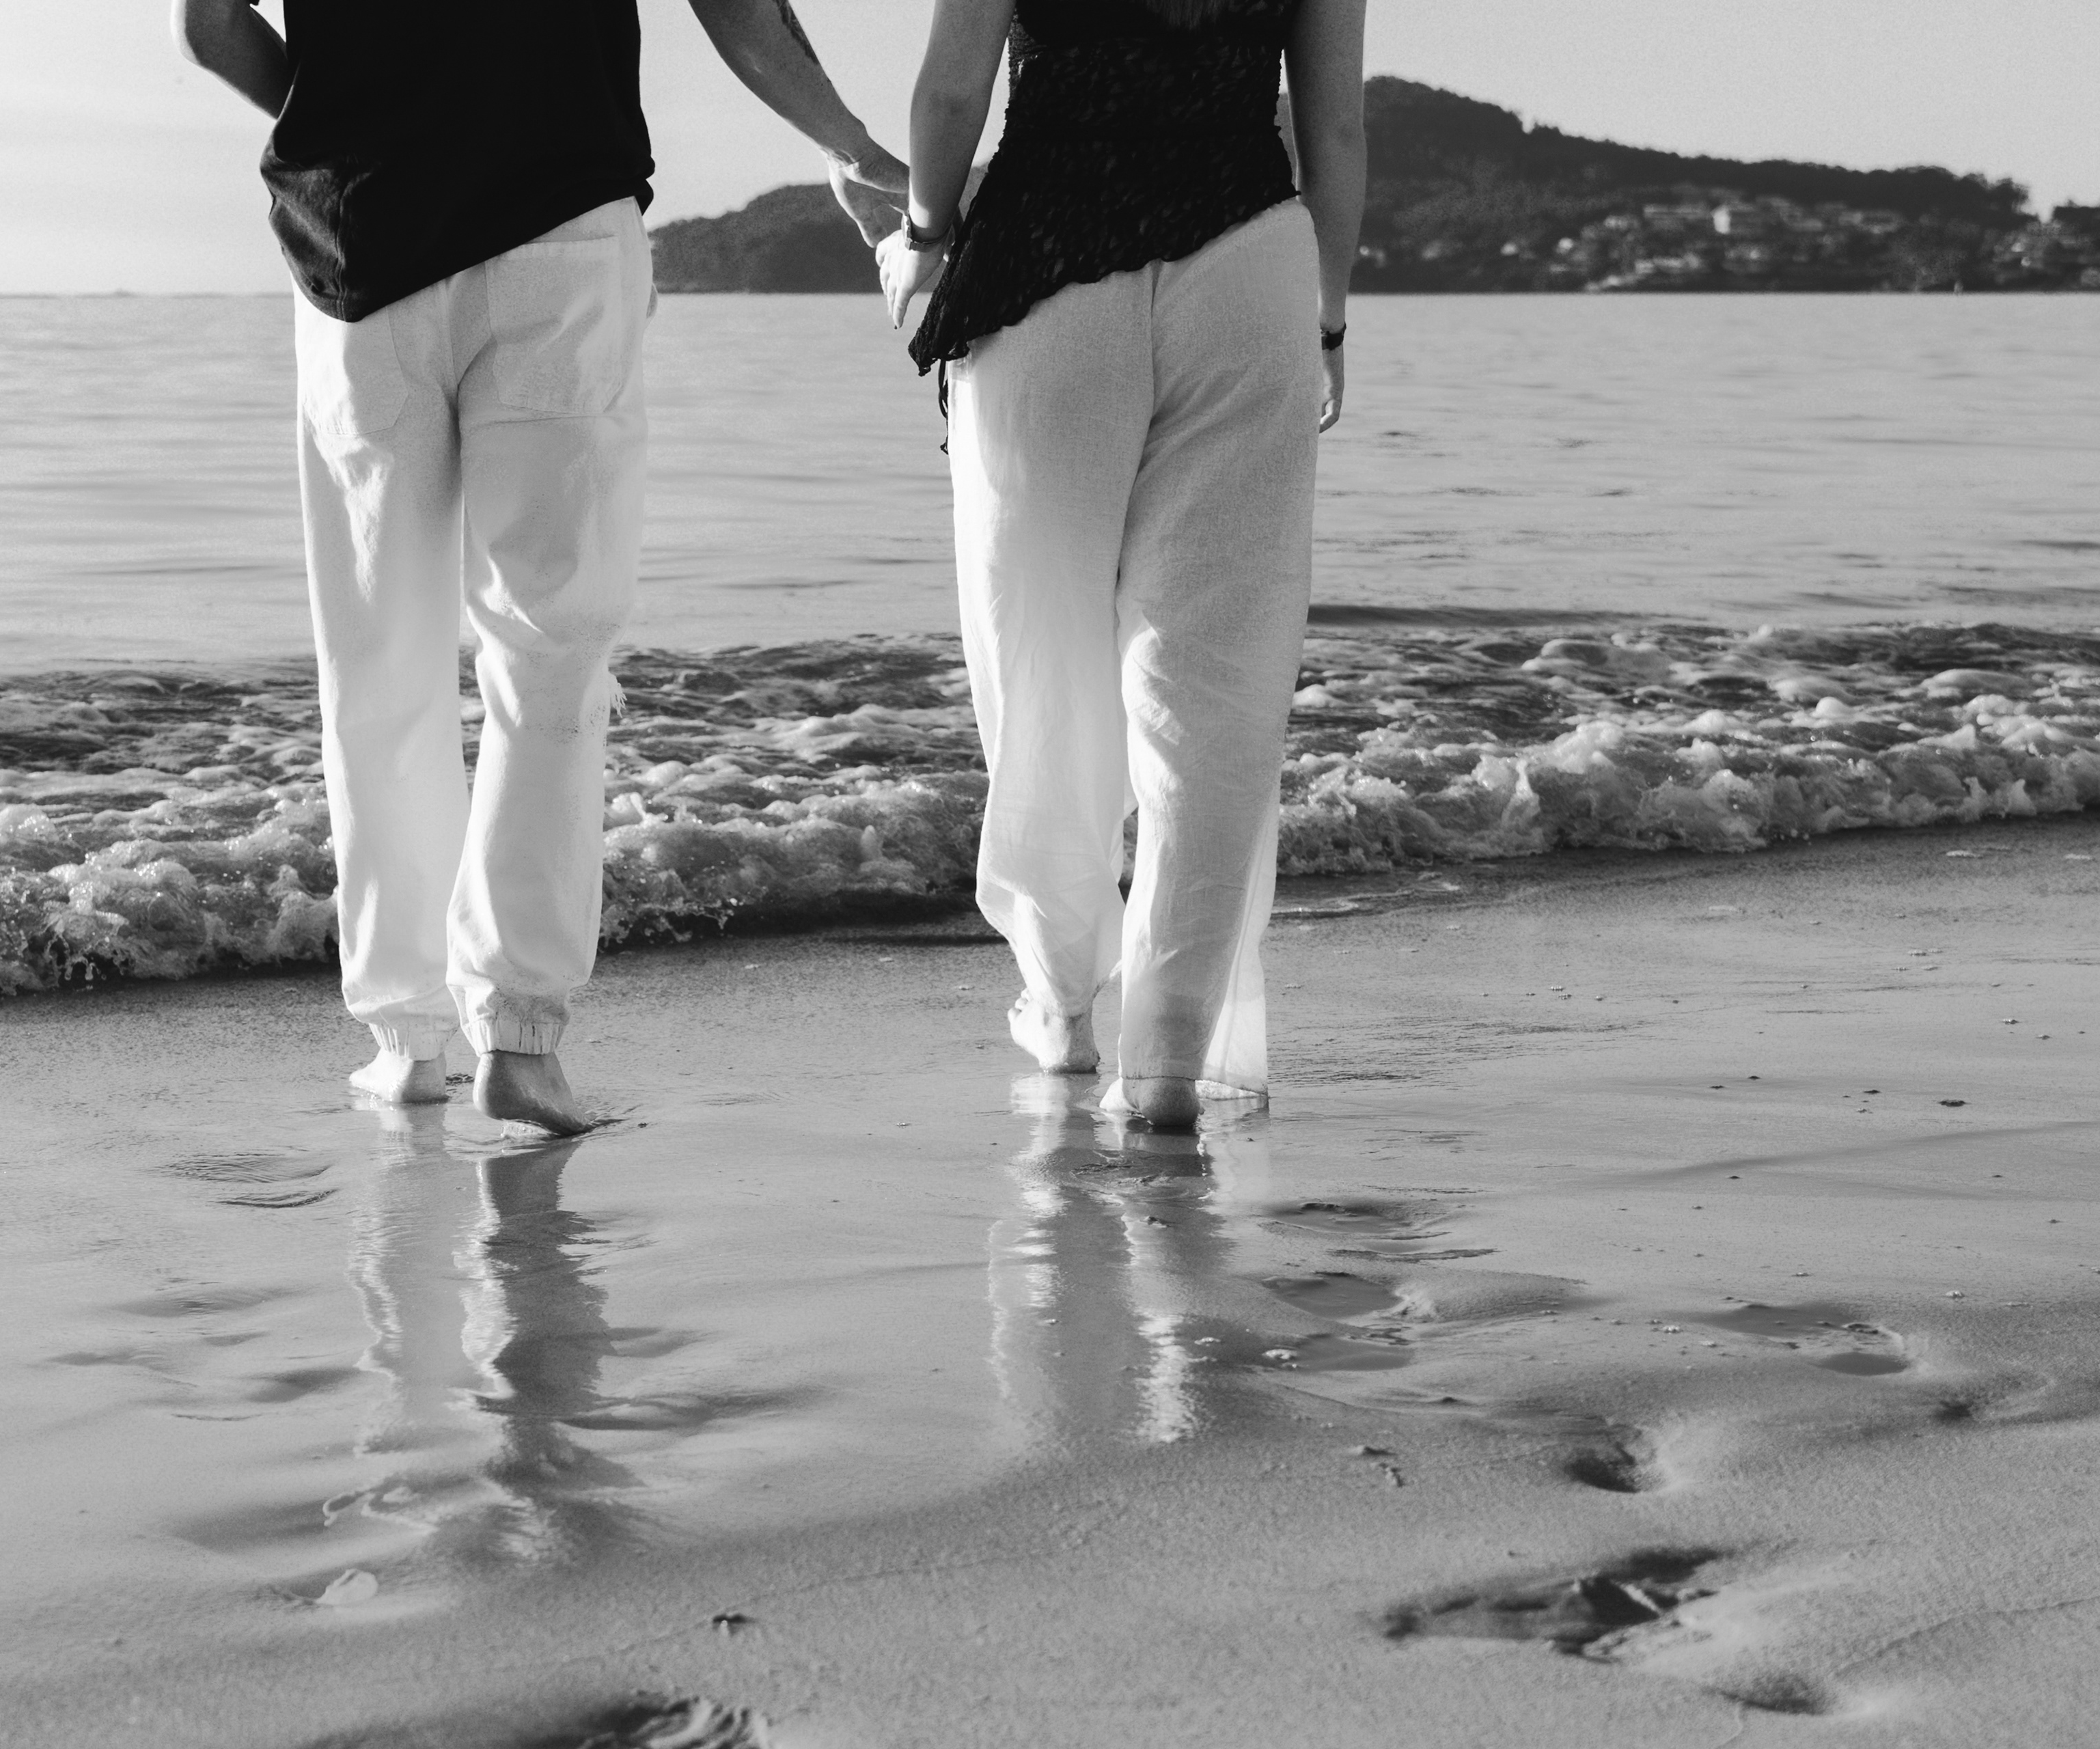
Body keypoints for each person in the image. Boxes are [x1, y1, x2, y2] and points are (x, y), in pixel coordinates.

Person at [174, 1, 905, 1134]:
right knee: (550, 645)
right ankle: (520, 1037)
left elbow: (212, 24)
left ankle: (406, 1037)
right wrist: (848, 144)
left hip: (362, 231)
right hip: (558, 226)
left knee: (379, 657)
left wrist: (361, 113)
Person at [879, 0, 1366, 1129]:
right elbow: (1333, 131)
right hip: (1247, 264)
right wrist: (1330, 319)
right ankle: (1171, 1051)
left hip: (1048, 263)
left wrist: (923, 234)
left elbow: (950, 91)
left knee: (1039, 660)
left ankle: (1060, 998)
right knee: (1216, 687)